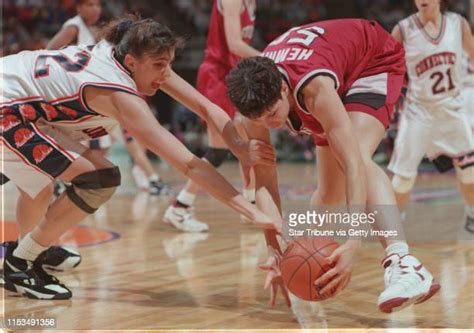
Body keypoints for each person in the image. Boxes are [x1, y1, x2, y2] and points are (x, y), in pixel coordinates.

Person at [0, 15, 279, 300]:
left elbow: (207, 108)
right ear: (132, 62)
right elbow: (189, 165)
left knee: (38, 185)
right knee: (99, 179)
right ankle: (20, 264)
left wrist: (238, 146)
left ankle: (28, 249)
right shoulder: (116, 91)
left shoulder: (134, 57)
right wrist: (250, 210)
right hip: (7, 109)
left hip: (18, 99)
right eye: (160, 66)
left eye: (169, 63)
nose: (166, 72)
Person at [226, 18, 440, 313]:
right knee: (329, 194)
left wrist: (353, 241)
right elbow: (265, 181)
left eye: (273, 113)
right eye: (259, 119)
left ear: (284, 91)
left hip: (372, 60)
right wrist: (276, 251)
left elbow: (352, 164)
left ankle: (403, 262)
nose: (270, 124)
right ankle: (316, 265)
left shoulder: (314, 89)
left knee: (357, 157)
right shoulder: (253, 107)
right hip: (332, 63)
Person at [47, 0, 170, 196]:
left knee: (105, 147)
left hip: (95, 97)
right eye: (89, 5)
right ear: (79, 7)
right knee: (120, 139)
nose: (95, 9)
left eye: (97, 5)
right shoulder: (73, 27)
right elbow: (48, 53)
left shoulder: (95, 31)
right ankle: (151, 177)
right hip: (75, 96)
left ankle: (63, 182)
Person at [164, 0, 261, 232]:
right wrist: (273, 61)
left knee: (245, 142)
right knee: (219, 150)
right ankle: (179, 208)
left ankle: (251, 207)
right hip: (218, 75)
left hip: (233, 74)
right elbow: (235, 45)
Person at [387, 0, 474, 229]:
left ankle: (472, 214)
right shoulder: (403, 29)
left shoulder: (458, 24)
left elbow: (473, 54)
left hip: (452, 110)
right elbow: (386, 67)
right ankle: (393, 223)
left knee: (469, 169)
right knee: (403, 177)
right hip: (419, 112)